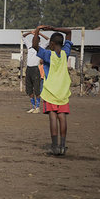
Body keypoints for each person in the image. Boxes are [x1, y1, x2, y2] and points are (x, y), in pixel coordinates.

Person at [33, 25, 73, 156]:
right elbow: (69, 32)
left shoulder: (48, 55)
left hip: (50, 91)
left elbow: (35, 46)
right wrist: (54, 28)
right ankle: (62, 146)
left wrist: (38, 30)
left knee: (52, 118)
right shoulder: (65, 53)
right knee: (62, 117)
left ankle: (54, 146)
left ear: (51, 44)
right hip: (63, 91)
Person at [23, 31, 49, 113]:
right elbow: (23, 36)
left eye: (35, 40)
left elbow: (49, 39)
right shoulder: (29, 46)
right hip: (28, 69)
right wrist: (30, 33)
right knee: (29, 89)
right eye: (33, 40)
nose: (33, 41)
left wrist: (39, 33)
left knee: (37, 89)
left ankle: (37, 107)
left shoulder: (41, 46)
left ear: (38, 41)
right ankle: (33, 106)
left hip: (35, 69)